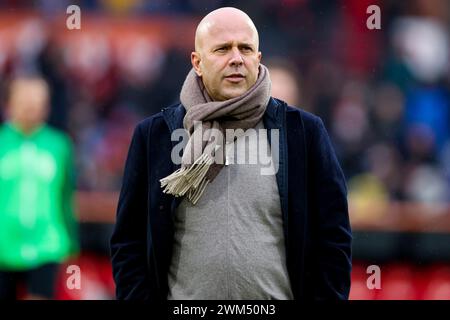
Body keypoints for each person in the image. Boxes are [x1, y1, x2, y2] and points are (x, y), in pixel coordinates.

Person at [110, 7, 352, 300]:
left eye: (245, 49)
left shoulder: (304, 133)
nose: (236, 58)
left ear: (258, 59)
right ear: (197, 63)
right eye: (223, 49)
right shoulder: (155, 136)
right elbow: (129, 242)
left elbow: (334, 240)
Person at [0, 77, 79, 299]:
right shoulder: (2, 143)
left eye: (37, 103)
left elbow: (66, 196)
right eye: (25, 102)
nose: (30, 109)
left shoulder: (59, 145)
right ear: (10, 104)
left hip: (46, 243)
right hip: (3, 244)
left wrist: (72, 241)